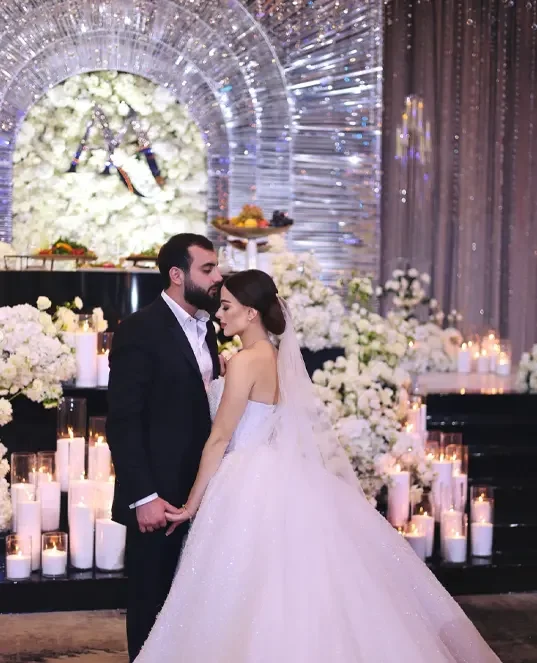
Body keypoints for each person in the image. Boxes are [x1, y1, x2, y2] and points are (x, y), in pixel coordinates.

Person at [134, 268, 501, 663]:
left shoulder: (244, 362)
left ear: (251, 312)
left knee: (240, 588)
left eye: (226, 307)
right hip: (278, 470)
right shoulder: (273, 356)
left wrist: (191, 504)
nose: (219, 315)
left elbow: (220, 438)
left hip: (242, 478)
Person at [106, 233, 223, 662]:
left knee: (194, 608)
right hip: (157, 498)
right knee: (151, 607)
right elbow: (123, 421)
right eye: (207, 269)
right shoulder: (140, 329)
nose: (218, 277)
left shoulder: (208, 329)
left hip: (202, 493)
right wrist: (143, 496)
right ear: (177, 274)